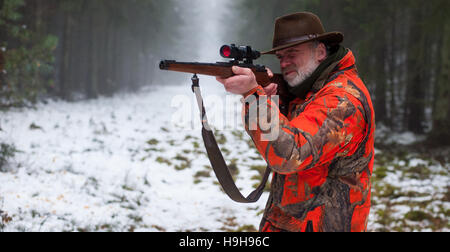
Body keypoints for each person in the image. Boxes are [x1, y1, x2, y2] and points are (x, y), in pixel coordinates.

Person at [216, 12, 375, 232]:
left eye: (292, 53)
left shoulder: (342, 99)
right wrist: (270, 99)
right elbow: (288, 135)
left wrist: (254, 97)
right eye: (280, 57)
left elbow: (289, 154)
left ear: (320, 51)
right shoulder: (309, 91)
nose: (285, 62)